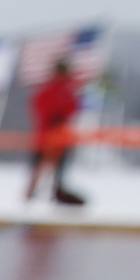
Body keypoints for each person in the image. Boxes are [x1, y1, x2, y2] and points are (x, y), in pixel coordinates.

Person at [26, 57, 86, 209]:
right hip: (48, 135)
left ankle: (53, 193)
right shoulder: (54, 89)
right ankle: (31, 196)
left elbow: (73, 108)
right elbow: (41, 107)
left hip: (59, 136)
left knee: (57, 168)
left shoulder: (65, 89)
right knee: (41, 167)